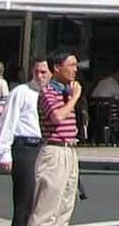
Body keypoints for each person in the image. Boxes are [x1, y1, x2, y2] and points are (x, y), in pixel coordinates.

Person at [29, 52, 83, 226]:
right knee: (46, 209)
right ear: (57, 68)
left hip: (69, 149)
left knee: (65, 207)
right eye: (71, 65)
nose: (75, 70)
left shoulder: (66, 92)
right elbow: (57, 117)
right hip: (54, 151)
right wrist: (75, 97)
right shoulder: (48, 92)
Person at [0, 59, 50, 226]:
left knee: (44, 201)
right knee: (24, 201)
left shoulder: (53, 94)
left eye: (43, 72)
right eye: (36, 72)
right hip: (25, 147)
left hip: (46, 147)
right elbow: (7, 121)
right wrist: (4, 153)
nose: (39, 76)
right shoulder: (21, 92)